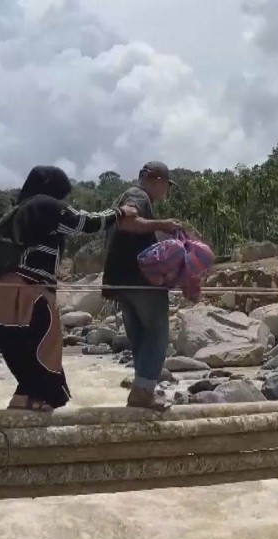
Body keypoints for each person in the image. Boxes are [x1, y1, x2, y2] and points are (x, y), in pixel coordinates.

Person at [0, 166, 133, 412]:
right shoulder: (44, 205)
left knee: (21, 351)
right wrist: (118, 214)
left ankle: (24, 399)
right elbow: (85, 222)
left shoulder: (12, 213)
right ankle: (35, 402)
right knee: (45, 347)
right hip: (29, 293)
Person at [102, 161, 183, 410]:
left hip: (120, 281)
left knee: (139, 335)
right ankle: (144, 390)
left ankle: (142, 389)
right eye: (167, 185)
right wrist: (162, 225)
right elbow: (128, 221)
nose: (166, 191)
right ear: (157, 180)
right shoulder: (137, 196)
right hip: (140, 280)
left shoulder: (125, 196)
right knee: (157, 332)